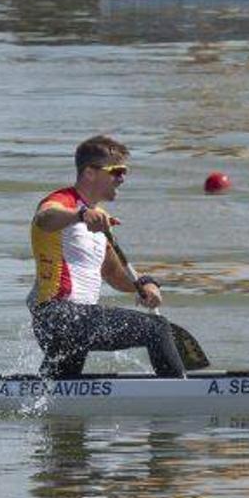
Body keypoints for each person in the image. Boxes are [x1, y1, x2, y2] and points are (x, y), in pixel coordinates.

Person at [29, 135, 186, 379]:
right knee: (156, 329)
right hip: (58, 315)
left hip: (77, 320)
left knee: (57, 392)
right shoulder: (62, 202)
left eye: (125, 172)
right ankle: (180, 396)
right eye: (117, 171)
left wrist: (145, 283)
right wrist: (80, 216)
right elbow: (44, 219)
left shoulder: (100, 218)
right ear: (90, 172)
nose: (122, 178)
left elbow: (114, 275)